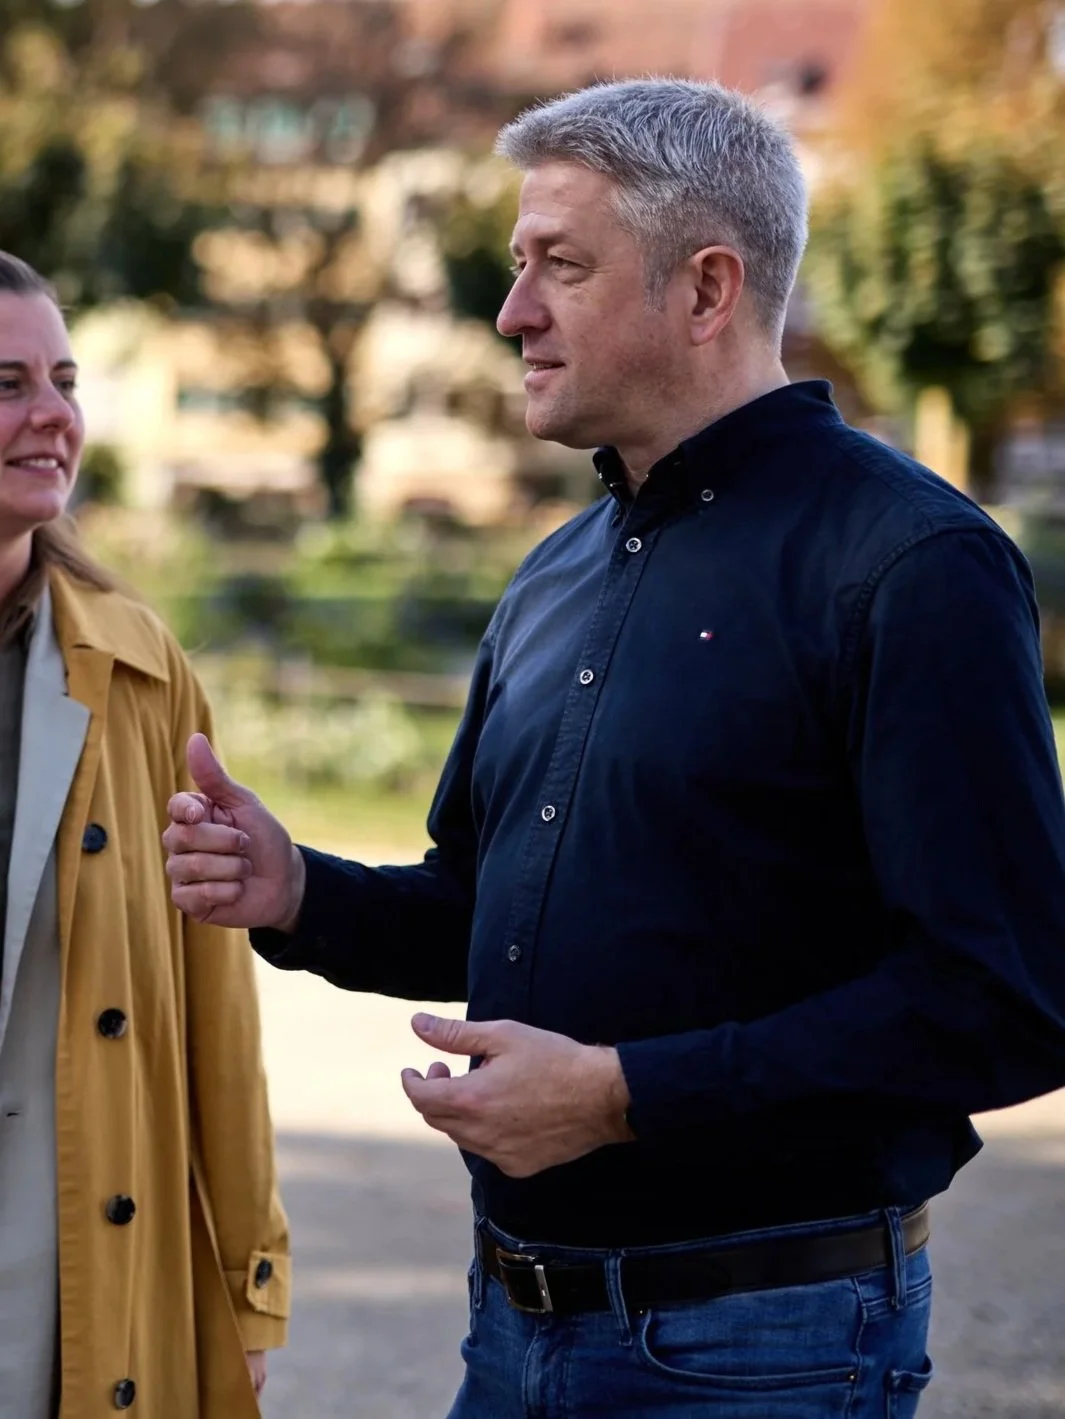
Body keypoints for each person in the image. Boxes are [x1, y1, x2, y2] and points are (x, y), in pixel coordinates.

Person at [163, 78, 1065, 1419]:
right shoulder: (552, 573)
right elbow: (475, 910)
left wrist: (623, 1095)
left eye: (558, 266)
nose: (510, 311)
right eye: (517, 264)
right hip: (510, 1327)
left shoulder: (912, 563)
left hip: (771, 1344)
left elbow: (1005, 996)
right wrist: (298, 892)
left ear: (705, 289)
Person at [0, 250, 290, 1419]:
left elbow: (211, 991)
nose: (51, 416)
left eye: (63, 380)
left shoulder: (134, 666)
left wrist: (246, 1279)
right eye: (6, 383)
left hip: (71, 1270)